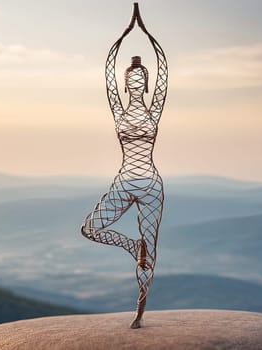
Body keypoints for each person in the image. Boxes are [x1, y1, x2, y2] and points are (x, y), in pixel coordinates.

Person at [81, 3, 167, 329]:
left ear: (145, 83)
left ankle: (140, 312)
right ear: (124, 81)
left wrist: (147, 35)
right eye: (130, 74)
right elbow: (107, 77)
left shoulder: (153, 111)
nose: (134, 76)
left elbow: (164, 76)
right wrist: (124, 36)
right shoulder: (119, 111)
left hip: (150, 183)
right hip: (125, 180)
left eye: (140, 75)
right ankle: (133, 246)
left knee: (153, 249)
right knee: (90, 228)